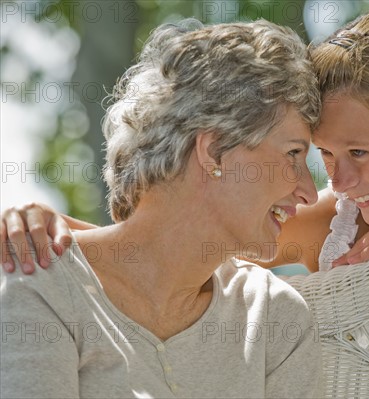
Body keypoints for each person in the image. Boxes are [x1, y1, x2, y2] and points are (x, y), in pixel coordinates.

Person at [3, 7, 369, 280]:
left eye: (359, 153)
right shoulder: (333, 226)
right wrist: (52, 221)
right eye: (325, 155)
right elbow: (176, 245)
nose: (336, 182)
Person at [1, 18, 323, 398]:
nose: (308, 191)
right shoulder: (44, 284)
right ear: (214, 150)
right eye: (292, 154)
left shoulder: (273, 317)